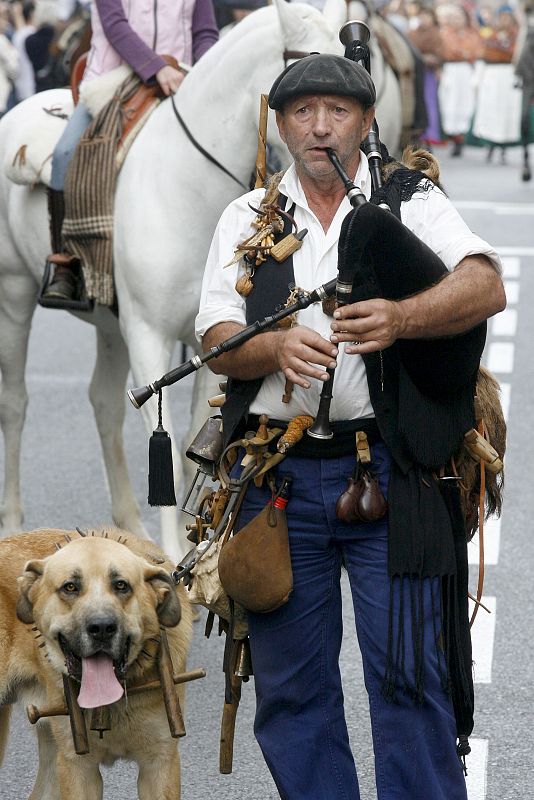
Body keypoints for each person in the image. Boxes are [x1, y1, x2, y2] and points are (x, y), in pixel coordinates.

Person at [195, 54, 506, 799]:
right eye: (304, 112)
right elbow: (214, 336)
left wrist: (403, 317)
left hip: (393, 472)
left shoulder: (410, 200)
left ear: (366, 122)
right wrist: (271, 347)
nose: (321, 125)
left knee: (410, 679)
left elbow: (484, 282)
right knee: (293, 692)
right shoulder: (246, 218)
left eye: (338, 110)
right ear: (281, 126)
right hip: (279, 483)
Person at [43, 0, 219, 303]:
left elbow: (205, 33)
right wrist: (156, 67)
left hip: (179, 80)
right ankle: (65, 265)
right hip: (111, 80)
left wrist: (204, 72)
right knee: (64, 154)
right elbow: (115, 26)